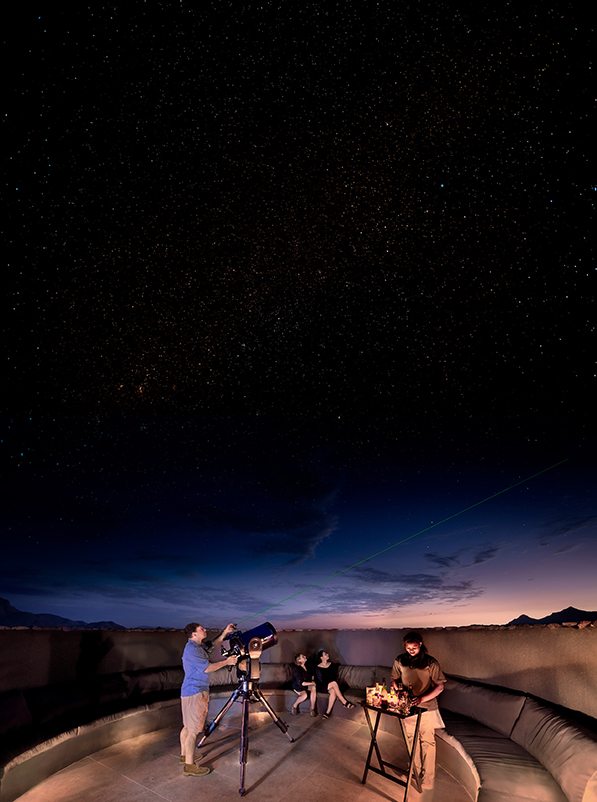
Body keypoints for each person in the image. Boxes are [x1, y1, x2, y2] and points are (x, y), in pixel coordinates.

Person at [391, 631, 446, 801]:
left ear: (420, 644)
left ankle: (428, 778)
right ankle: (413, 772)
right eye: (408, 648)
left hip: (427, 708)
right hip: (408, 707)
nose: (411, 650)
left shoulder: (431, 662)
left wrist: (421, 698)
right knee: (410, 740)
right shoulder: (400, 660)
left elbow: (439, 687)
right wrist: (397, 691)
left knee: (427, 742)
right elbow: (394, 679)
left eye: (414, 647)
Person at [180, 622, 238, 777]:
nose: (204, 630)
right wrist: (227, 662)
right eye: (201, 629)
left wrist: (225, 631)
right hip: (195, 692)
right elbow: (207, 667)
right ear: (193, 634)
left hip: (190, 691)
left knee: (187, 727)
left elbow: (214, 643)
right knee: (193, 731)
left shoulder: (198, 647)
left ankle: (184, 756)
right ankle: (189, 766)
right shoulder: (192, 650)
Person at [314, 649, 355, 719]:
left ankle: (327, 712)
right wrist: (329, 682)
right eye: (325, 654)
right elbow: (320, 680)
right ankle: (344, 702)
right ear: (321, 657)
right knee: (334, 683)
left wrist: (330, 682)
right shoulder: (318, 667)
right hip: (322, 686)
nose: (327, 655)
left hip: (332, 685)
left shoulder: (331, 664)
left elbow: (333, 676)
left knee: (333, 691)